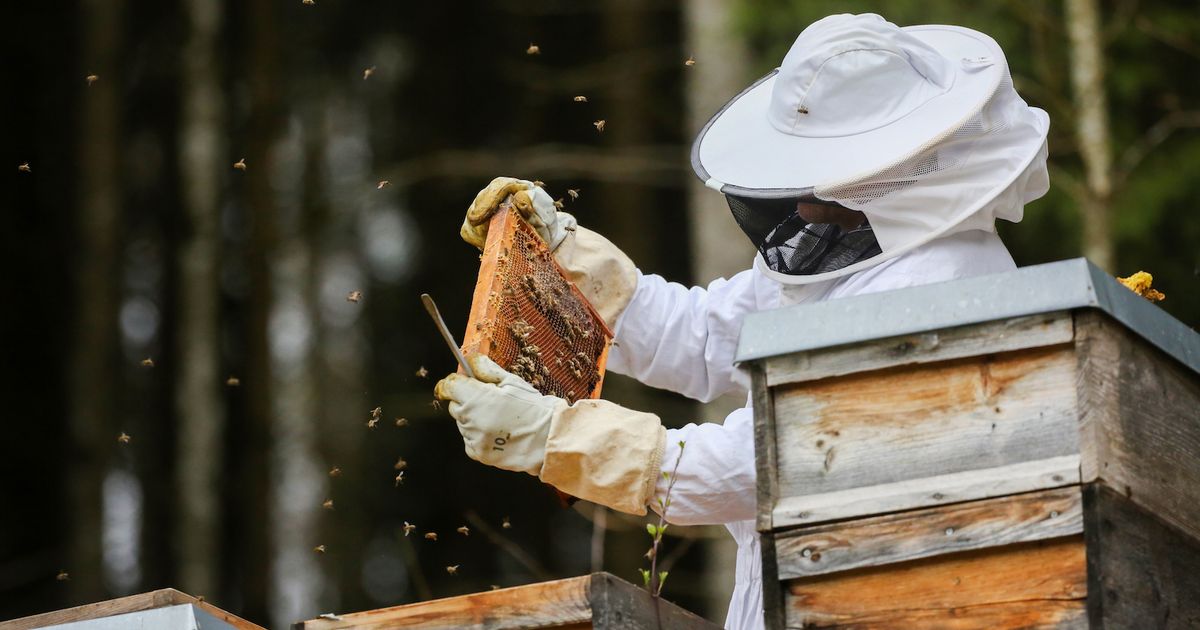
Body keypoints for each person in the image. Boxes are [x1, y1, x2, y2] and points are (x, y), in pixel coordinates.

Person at [435, 13, 1049, 629]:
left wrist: (556, 437)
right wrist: (562, 257)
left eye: (825, 171)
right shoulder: (851, 254)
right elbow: (703, 336)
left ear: (891, 171)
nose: (801, 200)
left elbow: (764, 462)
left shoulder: (941, 287)